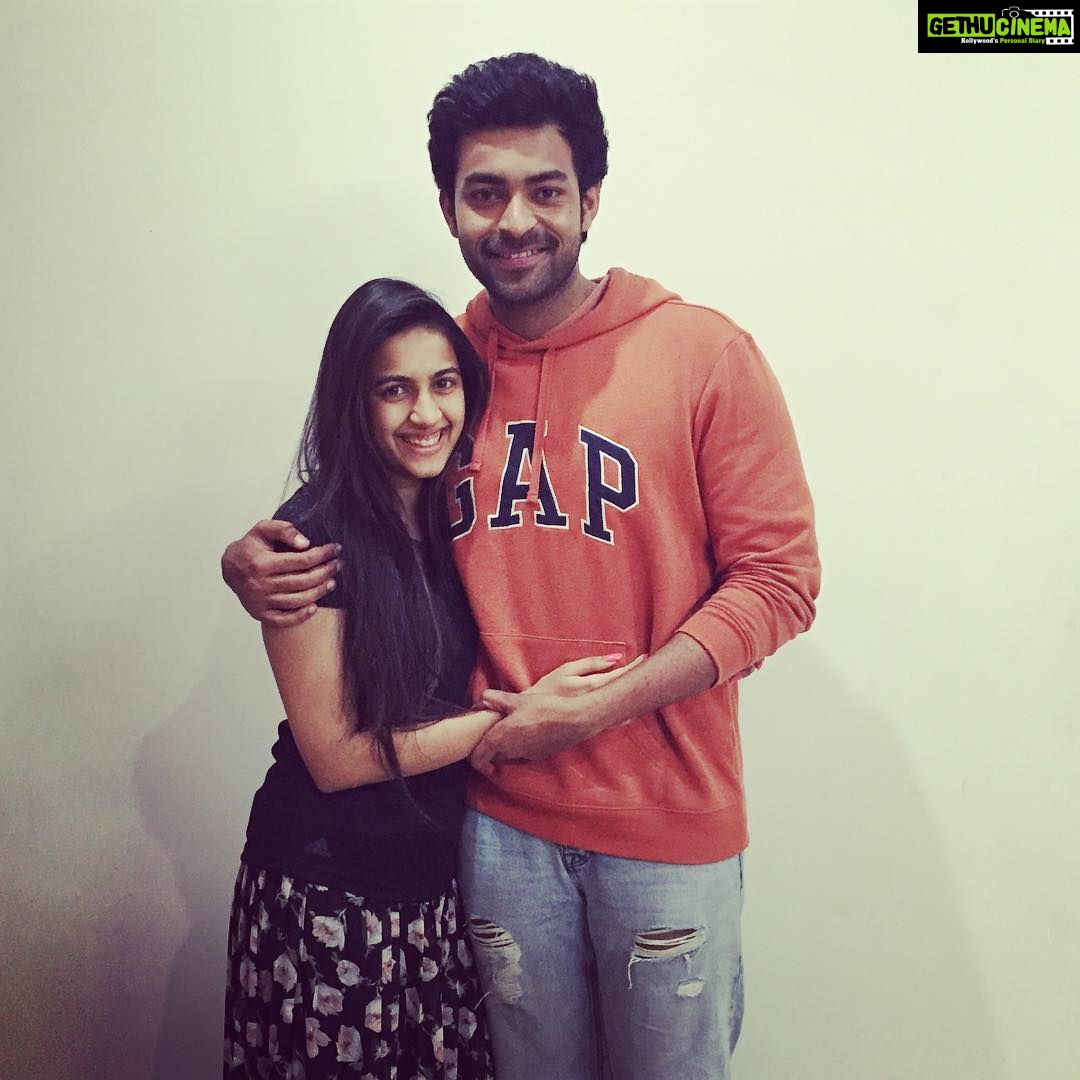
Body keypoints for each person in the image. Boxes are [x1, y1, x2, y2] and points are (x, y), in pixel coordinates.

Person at [222, 55, 821, 1080]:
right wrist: (249, 560)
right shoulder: (444, 366)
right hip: (496, 829)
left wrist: (600, 708)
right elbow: (364, 503)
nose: (515, 220)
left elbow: (779, 581)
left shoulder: (702, 354)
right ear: (449, 208)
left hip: (664, 826)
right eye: (485, 192)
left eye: (545, 190)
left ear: (591, 199)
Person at [222, 277, 634, 1079]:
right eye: (394, 390)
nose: (426, 413)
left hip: (430, 894)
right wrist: (513, 722)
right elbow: (336, 757)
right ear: (353, 401)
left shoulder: (453, 513)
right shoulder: (309, 540)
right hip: (330, 896)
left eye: (443, 383)